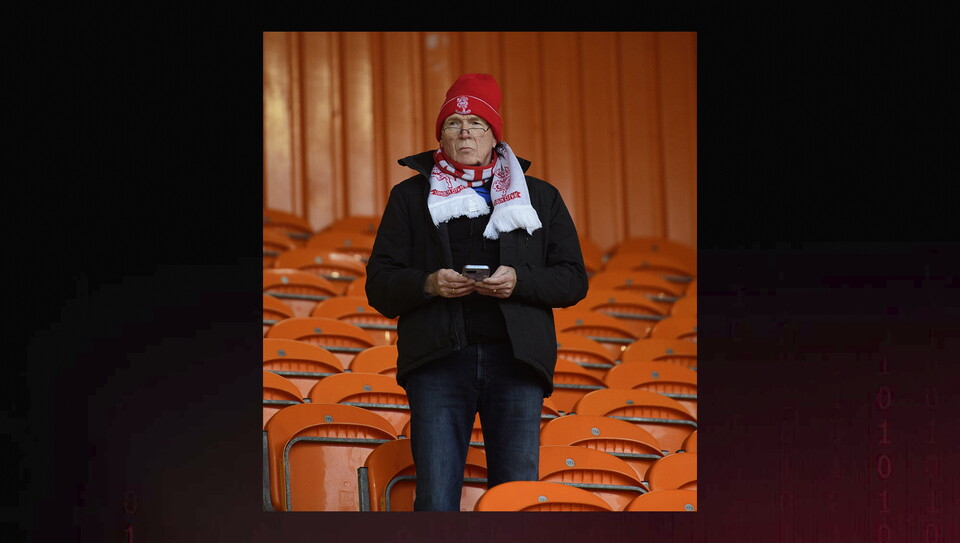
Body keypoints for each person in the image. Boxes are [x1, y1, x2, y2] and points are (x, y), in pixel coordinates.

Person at [365, 73, 588, 511]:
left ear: (494, 135)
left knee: (517, 501)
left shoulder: (540, 198)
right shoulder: (410, 197)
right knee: (436, 501)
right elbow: (380, 283)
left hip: (517, 362)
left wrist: (519, 281)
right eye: (453, 123)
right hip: (437, 363)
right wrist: (428, 284)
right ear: (441, 135)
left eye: (477, 123)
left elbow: (572, 279)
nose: (464, 131)